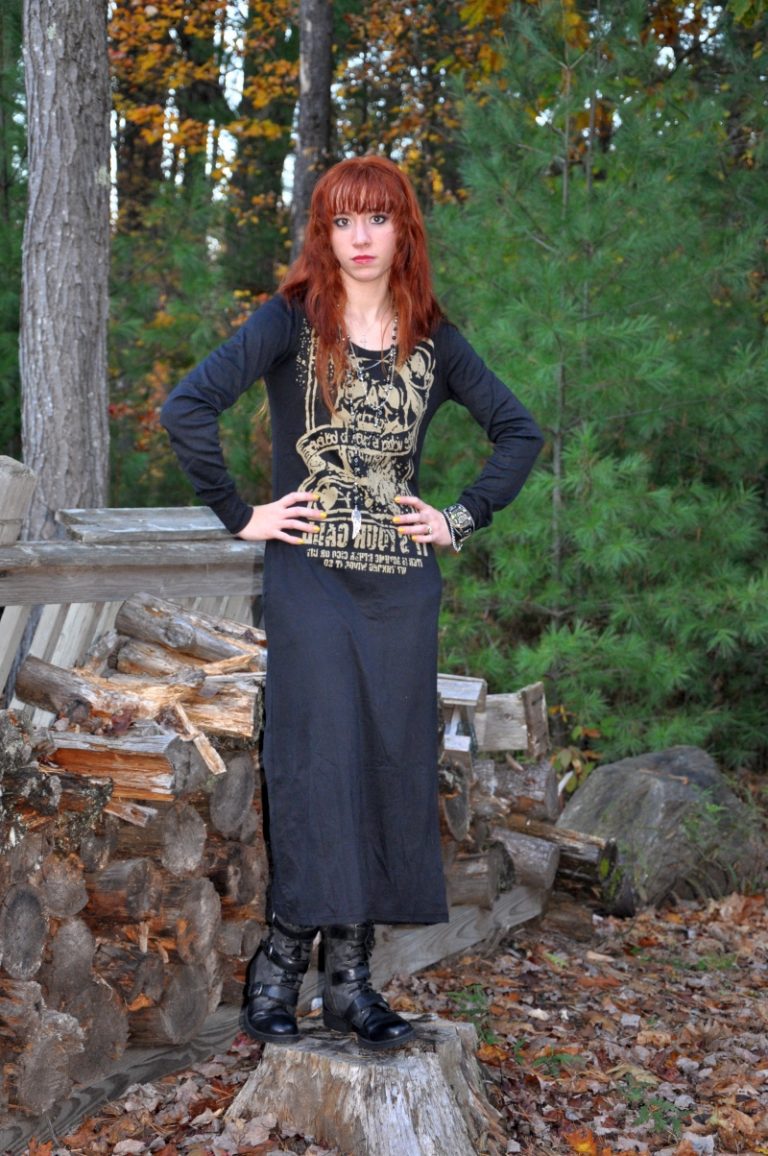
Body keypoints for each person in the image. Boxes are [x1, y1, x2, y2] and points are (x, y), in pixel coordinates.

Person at [161, 154, 543, 1052]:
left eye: (378, 219)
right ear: (322, 234)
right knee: (315, 764)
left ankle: (352, 985)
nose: (361, 238)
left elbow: (519, 432)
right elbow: (188, 408)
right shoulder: (290, 324)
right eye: (343, 221)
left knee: (386, 768)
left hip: (401, 593)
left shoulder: (433, 338)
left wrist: (459, 516)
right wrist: (242, 513)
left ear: (403, 229)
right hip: (313, 585)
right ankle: (283, 964)